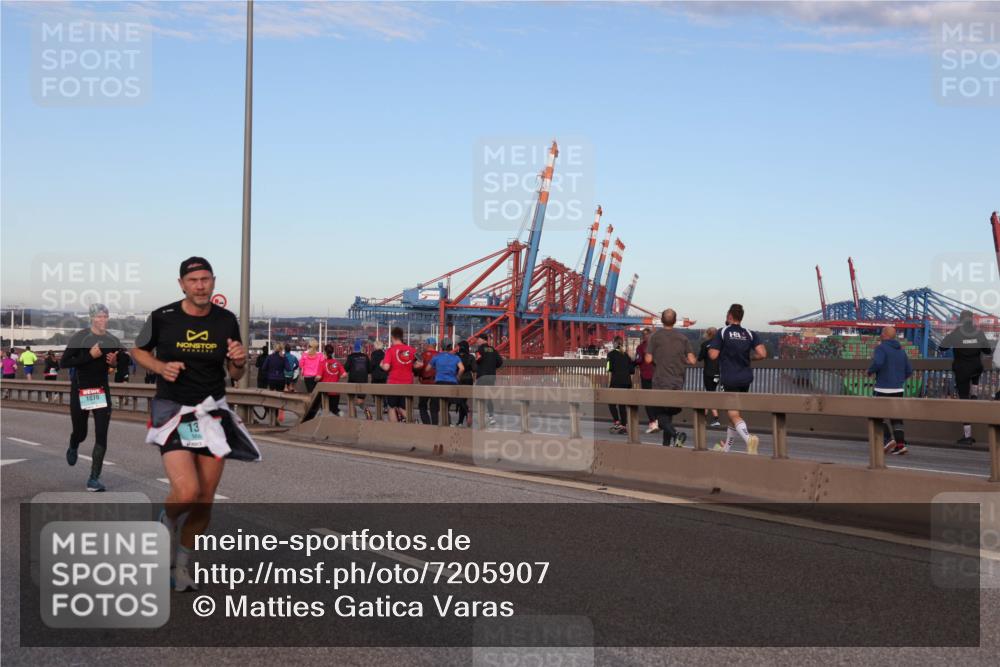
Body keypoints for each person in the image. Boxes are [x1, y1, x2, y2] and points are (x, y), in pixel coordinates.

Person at [132, 256, 259, 592]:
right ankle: (167, 519)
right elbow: (138, 351)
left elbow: (234, 374)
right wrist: (160, 368)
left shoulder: (226, 320)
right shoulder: (162, 317)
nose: (201, 286)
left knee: (204, 498)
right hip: (173, 410)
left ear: (213, 282)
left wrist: (239, 362)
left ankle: (182, 566)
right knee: (186, 492)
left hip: (211, 411)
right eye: (194, 281)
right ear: (182, 285)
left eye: (206, 280)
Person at [59, 303, 121, 491]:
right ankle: (73, 443)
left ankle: (93, 479)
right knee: (81, 432)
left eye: (105, 316)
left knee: (101, 435)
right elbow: (64, 362)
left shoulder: (112, 339)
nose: (102, 320)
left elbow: (122, 364)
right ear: (91, 318)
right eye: (99, 317)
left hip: (101, 391)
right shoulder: (80, 337)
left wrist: (116, 363)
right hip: (81, 391)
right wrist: (90, 356)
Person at [707, 303, 767, 455]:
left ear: (730, 316)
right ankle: (726, 448)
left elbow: (713, 355)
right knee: (734, 415)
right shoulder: (749, 333)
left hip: (730, 378)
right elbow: (762, 353)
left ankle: (749, 439)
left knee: (733, 414)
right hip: (745, 378)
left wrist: (719, 351)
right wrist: (750, 357)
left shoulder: (723, 332)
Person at [938, 311, 993, 445]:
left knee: (963, 401)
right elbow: (987, 351)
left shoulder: (956, 333)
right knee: (975, 373)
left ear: (961, 320)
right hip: (976, 368)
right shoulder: (979, 333)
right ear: (972, 320)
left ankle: (967, 436)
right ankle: (974, 391)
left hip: (962, 370)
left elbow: (942, 347)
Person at [644, 309, 697, 446]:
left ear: (661, 320)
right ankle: (667, 444)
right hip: (677, 382)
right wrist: (680, 359)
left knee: (661, 417)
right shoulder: (683, 338)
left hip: (660, 381)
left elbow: (648, 360)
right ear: (675, 321)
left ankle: (676, 435)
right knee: (669, 415)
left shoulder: (654, 337)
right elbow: (692, 360)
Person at [867, 325, 913, 456]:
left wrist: (870, 371)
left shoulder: (881, 348)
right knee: (896, 418)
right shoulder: (901, 351)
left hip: (882, 388)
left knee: (875, 415)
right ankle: (900, 445)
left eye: (882, 332)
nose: (880, 334)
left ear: (885, 335)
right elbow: (909, 371)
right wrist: (898, 380)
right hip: (898, 389)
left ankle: (888, 439)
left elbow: (878, 363)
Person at [380, 326, 421, 423]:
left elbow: (386, 367)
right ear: (402, 337)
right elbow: (420, 363)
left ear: (393, 337)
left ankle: (395, 430)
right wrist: (412, 365)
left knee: (391, 407)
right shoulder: (412, 350)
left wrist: (381, 364)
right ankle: (412, 423)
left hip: (394, 383)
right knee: (403, 407)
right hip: (408, 382)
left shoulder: (390, 350)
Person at [428, 340, 463, 426]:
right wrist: (457, 377)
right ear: (451, 347)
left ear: (441, 347)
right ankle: (448, 424)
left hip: (439, 383)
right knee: (446, 406)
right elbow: (462, 368)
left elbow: (427, 369)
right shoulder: (455, 357)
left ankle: (434, 425)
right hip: (452, 383)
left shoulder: (436, 357)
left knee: (434, 406)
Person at [606, 336, 635, 434]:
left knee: (611, 402)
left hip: (615, 382)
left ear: (614, 343)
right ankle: (624, 426)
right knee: (622, 405)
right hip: (626, 383)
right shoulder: (626, 356)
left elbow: (608, 369)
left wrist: (609, 384)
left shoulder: (610, 354)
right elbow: (632, 371)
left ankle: (617, 422)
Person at [475, 335, 504, 426]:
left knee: (479, 396)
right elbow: (500, 362)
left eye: (478, 339)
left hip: (481, 376)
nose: (477, 341)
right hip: (491, 376)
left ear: (483, 340)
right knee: (489, 396)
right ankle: (491, 417)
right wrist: (492, 367)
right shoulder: (493, 349)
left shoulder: (479, 350)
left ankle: (481, 416)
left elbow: (478, 360)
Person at [697, 327, 722, 427]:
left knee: (709, 394)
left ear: (708, 334)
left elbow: (699, 358)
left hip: (708, 373)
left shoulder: (705, 344)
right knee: (710, 393)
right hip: (717, 373)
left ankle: (716, 418)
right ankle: (704, 417)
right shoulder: (721, 345)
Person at [634, 328, 658, 433]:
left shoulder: (640, 347)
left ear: (643, 336)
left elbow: (638, 360)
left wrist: (632, 363)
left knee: (647, 400)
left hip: (646, 376)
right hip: (658, 376)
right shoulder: (657, 346)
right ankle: (658, 421)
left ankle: (652, 423)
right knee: (657, 399)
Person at [345, 340, 373, 420]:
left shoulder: (350, 357)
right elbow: (370, 370)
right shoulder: (366, 357)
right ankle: (368, 412)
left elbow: (346, 369)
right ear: (361, 348)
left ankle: (353, 416)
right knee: (360, 401)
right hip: (363, 381)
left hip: (352, 381)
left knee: (351, 400)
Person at [318, 344, 346, 416]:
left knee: (323, 408)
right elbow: (344, 374)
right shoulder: (337, 363)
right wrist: (337, 376)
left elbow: (318, 377)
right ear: (333, 353)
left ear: (324, 353)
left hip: (325, 391)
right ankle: (342, 418)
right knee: (334, 409)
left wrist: (315, 379)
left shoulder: (322, 363)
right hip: (335, 390)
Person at [417, 338, 439, 425]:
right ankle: (434, 426)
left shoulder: (422, 355)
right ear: (435, 345)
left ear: (427, 345)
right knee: (434, 407)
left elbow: (418, 369)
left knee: (422, 406)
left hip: (425, 382)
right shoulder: (439, 355)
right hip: (436, 383)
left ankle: (427, 425)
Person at [455, 339, 477, 427]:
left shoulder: (456, 356)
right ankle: (460, 421)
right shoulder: (471, 357)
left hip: (458, 379)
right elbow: (475, 369)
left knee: (459, 400)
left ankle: (466, 412)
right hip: (468, 379)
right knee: (463, 400)